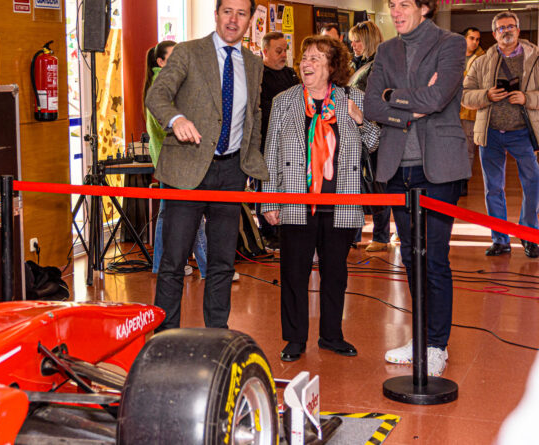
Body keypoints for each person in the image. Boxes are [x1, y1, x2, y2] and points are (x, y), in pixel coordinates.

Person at [146, 0, 268, 331]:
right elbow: (157, 96)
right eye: (227, 11)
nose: (233, 19)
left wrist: (250, 165)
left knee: (222, 262)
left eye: (241, 13)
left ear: (249, 19)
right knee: (173, 261)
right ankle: (165, 335)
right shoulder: (188, 52)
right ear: (216, 15)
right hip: (187, 171)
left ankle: (217, 334)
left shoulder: (254, 64)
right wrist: (176, 118)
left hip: (231, 173)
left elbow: (253, 117)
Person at [365, 0, 469, 376]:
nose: (395, 11)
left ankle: (437, 344)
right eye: (391, 4)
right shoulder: (385, 50)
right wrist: (404, 102)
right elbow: (372, 104)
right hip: (396, 168)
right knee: (410, 257)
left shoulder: (451, 43)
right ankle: (420, 335)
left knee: (434, 259)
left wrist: (395, 96)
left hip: (438, 168)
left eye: (404, 4)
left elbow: (439, 99)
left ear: (424, 8)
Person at [262, 35, 380, 362]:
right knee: (294, 272)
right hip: (297, 200)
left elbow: (373, 142)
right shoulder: (285, 100)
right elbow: (270, 153)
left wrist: (359, 119)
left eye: (316, 58)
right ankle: (295, 338)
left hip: (339, 201)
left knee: (335, 273)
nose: (306, 64)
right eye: (305, 58)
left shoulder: (351, 97)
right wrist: (269, 200)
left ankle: (331, 335)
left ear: (332, 66)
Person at [462, 11, 539, 259]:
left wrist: (528, 98)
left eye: (511, 26)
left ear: (518, 30)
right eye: (501, 27)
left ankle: (529, 236)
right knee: (493, 188)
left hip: (523, 133)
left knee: (533, 183)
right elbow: (465, 94)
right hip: (491, 134)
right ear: (494, 33)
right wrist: (486, 95)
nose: (506, 30)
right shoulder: (481, 62)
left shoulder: (535, 58)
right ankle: (500, 239)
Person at [144, 41, 209, 279]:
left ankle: (162, 264)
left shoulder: (163, 83)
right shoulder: (165, 87)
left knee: (167, 213)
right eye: (173, 57)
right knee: (192, 212)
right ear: (160, 62)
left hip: (166, 157)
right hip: (175, 158)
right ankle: (207, 267)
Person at [348, 20, 391, 253]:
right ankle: (353, 233)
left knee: (378, 184)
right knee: (355, 183)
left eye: (357, 39)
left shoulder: (378, 66)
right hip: (357, 131)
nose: (353, 44)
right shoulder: (356, 64)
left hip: (376, 131)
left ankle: (381, 236)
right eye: (352, 40)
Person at [256, 31, 299, 248]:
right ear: (265, 51)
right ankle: (268, 231)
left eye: (285, 50)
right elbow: (262, 111)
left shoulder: (291, 75)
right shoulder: (258, 76)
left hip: (292, 142)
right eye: (278, 51)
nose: (283, 55)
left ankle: (287, 227)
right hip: (266, 142)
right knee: (266, 185)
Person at [459, 27, 485, 197]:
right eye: (471, 38)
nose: (474, 42)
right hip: (452, 110)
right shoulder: (454, 55)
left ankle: (463, 182)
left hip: (470, 111)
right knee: (451, 146)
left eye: (477, 39)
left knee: (468, 149)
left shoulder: (483, 59)